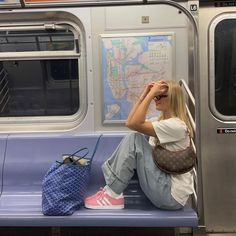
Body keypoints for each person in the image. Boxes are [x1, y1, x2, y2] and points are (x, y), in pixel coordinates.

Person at [85, 80, 195, 210]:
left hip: (171, 194)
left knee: (134, 140)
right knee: (134, 137)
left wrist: (151, 94)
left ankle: (112, 194)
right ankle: (111, 192)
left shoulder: (176, 126)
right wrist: (144, 95)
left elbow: (134, 125)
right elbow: (130, 121)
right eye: (155, 96)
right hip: (163, 186)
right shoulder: (161, 121)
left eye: (160, 96)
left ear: (173, 99)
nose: (156, 99)